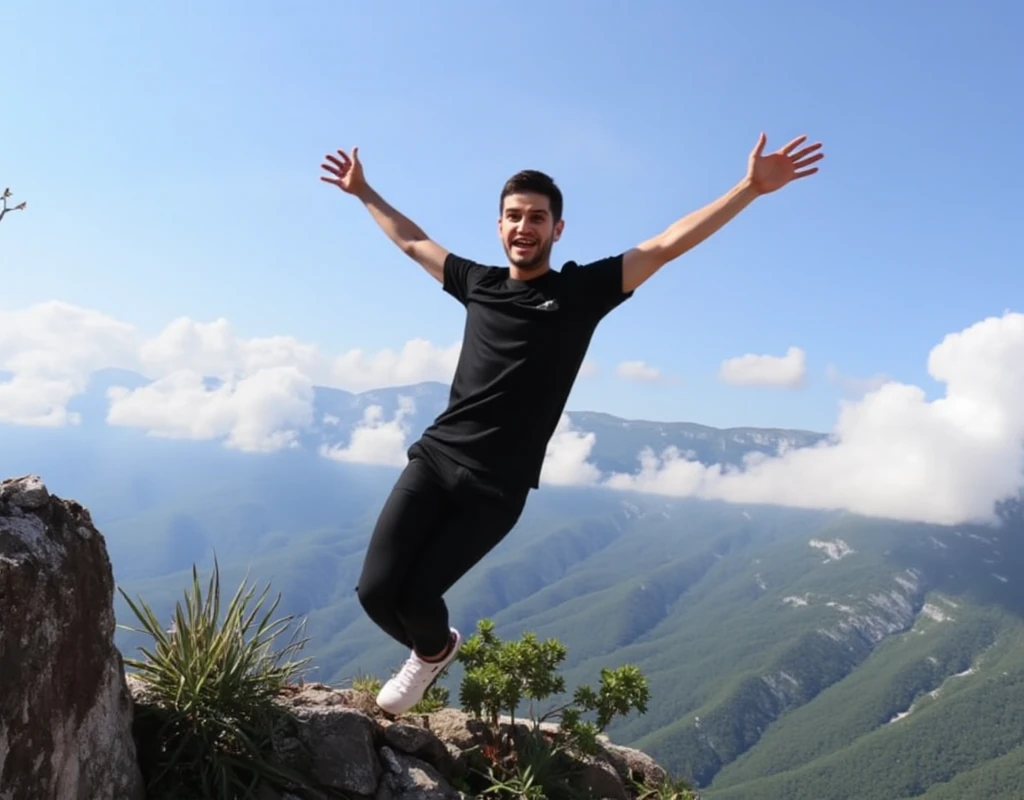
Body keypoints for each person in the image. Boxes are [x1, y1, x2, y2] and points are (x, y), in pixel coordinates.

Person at [319, 133, 823, 714]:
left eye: (537, 217)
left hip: (496, 487)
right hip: (434, 459)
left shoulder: (581, 292)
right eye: (513, 216)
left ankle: (427, 651)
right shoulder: (477, 283)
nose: (523, 226)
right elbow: (412, 242)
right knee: (376, 592)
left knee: (418, 592)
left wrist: (749, 189)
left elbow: (664, 246)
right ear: (499, 225)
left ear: (558, 229)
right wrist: (363, 191)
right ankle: (433, 651)